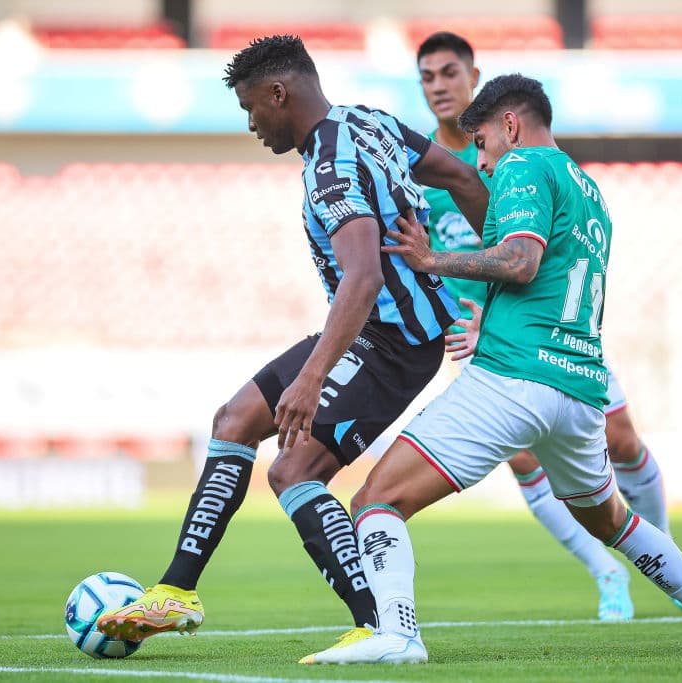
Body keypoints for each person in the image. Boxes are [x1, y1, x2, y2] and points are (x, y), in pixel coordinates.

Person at [302, 73, 682, 664]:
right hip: (582, 389)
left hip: (515, 379)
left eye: (484, 145)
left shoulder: (523, 167)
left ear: (510, 126)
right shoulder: (588, 188)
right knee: (615, 520)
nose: (483, 164)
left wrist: (429, 257)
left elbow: (520, 261)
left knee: (375, 502)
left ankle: (400, 634)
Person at [96, 34, 490, 649]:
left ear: (280, 94)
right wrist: (492, 259)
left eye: (253, 109)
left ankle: (379, 625)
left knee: (293, 467)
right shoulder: (367, 121)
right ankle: (175, 593)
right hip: (368, 327)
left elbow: (362, 279)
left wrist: (310, 380)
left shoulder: (331, 166)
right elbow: (463, 175)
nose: (252, 124)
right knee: (234, 420)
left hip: (393, 340)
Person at [417, 31, 678, 621]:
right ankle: (607, 572)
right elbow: (420, 257)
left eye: (449, 73)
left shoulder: (519, 158)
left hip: (555, 321)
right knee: (525, 456)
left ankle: (658, 550)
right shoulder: (424, 169)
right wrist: (464, 315)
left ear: (474, 77)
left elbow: (535, 250)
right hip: (485, 330)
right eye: (427, 77)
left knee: (621, 439)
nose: (439, 86)